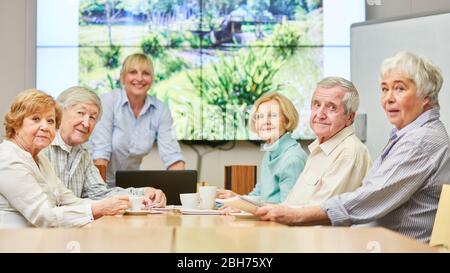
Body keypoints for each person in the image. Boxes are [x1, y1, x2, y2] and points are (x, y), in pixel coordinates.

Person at [256, 52, 450, 242]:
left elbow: (369, 198)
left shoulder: (420, 141)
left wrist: (294, 217)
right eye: (384, 89)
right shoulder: (408, 135)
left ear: (425, 96)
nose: (388, 98)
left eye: (399, 89)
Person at [0, 89, 130, 228]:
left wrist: (121, 202)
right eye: (36, 119)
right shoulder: (8, 158)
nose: (45, 127)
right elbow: (44, 216)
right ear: (16, 124)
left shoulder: (40, 159)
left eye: (50, 121)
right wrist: (98, 209)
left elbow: (70, 200)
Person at [42, 86, 166, 206]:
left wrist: (144, 193)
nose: (86, 123)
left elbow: (100, 194)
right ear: (58, 113)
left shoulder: (83, 153)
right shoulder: (41, 147)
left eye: (92, 117)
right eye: (80, 113)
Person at [89, 53, 185, 187]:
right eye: (133, 72)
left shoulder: (160, 110)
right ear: (123, 77)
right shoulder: (108, 101)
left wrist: (179, 191)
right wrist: (101, 193)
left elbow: (173, 157)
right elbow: (100, 154)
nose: (139, 78)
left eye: (145, 73)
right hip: (99, 182)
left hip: (132, 188)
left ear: (152, 79)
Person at [282, 77, 372, 207]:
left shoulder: (349, 154)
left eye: (331, 107)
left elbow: (318, 216)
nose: (320, 114)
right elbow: (291, 206)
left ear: (350, 117)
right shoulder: (320, 148)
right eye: (317, 105)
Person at [217, 92, 308, 204]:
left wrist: (240, 203)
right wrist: (236, 200)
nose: (265, 122)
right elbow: (259, 195)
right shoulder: (270, 153)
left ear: (287, 120)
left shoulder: (292, 159)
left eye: (273, 115)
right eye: (260, 116)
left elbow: (287, 211)